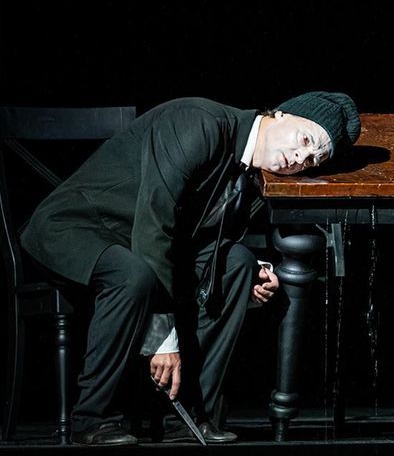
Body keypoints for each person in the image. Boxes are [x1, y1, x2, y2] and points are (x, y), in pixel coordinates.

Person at [20, 93, 361, 445]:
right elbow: (154, 225)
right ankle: (91, 418)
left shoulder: (249, 171)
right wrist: (163, 338)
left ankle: (188, 417)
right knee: (133, 275)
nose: (301, 158)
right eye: (304, 140)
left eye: (312, 159)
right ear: (280, 115)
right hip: (74, 228)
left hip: (134, 244)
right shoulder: (198, 122)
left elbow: (202, 239)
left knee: (238, 264)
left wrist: (254, 275)